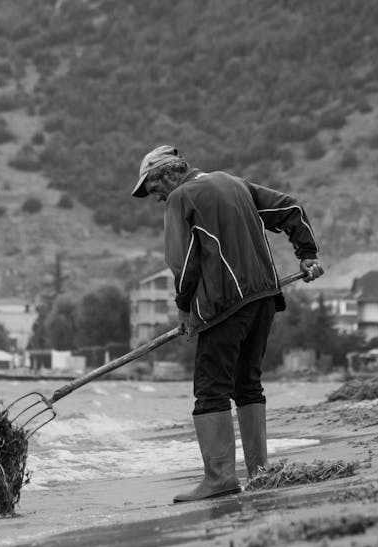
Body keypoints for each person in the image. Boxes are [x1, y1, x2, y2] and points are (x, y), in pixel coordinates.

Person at [131, 145, 323, 503]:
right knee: (247, 384)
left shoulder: (182, 198)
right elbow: (290, 209)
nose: (157, 199)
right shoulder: (235, 184)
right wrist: (307, 253)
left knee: (210, 387)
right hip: (264, 298)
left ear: (169, 175)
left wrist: (185, 308)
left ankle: (219, 477)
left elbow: (182, 263)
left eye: (155, 190)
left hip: (225, 306)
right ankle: (259, 473)